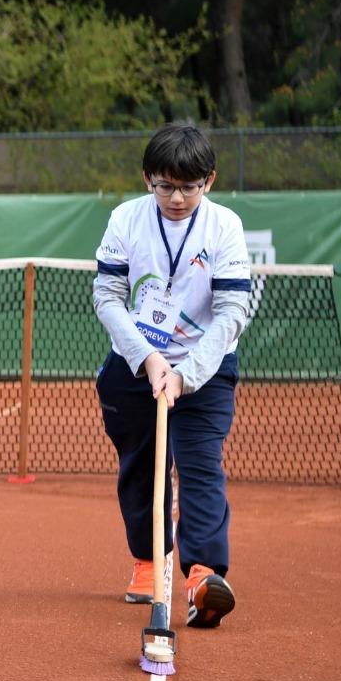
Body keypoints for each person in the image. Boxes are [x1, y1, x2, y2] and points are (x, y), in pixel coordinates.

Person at [93, 122, 253, 629]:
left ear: (209, 180)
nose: (177, 197)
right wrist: (147, 359)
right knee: (141, 469)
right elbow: (107, 298)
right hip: (134, 364)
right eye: (166, 186)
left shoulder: (224, 226)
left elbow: (231, 311)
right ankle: (148, 561)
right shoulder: (125, 220)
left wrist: (187, 375)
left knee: (201, 467)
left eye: (189, 186)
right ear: (148, 180)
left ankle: (204, 576)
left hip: (205, 368)